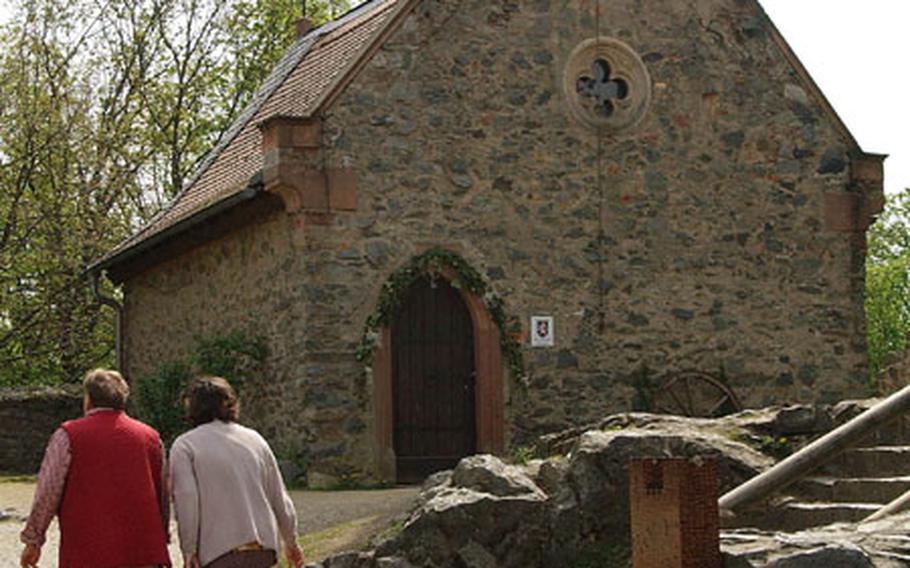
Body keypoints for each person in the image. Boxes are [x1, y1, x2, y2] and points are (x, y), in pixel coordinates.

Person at [19, 368, 171, 568]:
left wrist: (33, 540)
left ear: (88, 399)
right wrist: (161, 536)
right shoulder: (150, 438)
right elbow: (162, 494)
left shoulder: (68, 436)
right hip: (142, 552)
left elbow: (48, 491)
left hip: (87, 551)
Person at [170, 376, 304, 568]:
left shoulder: (185, 446)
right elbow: (280, 498)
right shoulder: (255, 440)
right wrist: (291, 542)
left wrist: (188, 550)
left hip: (219, 551)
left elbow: (187, 501)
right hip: (263, 550)